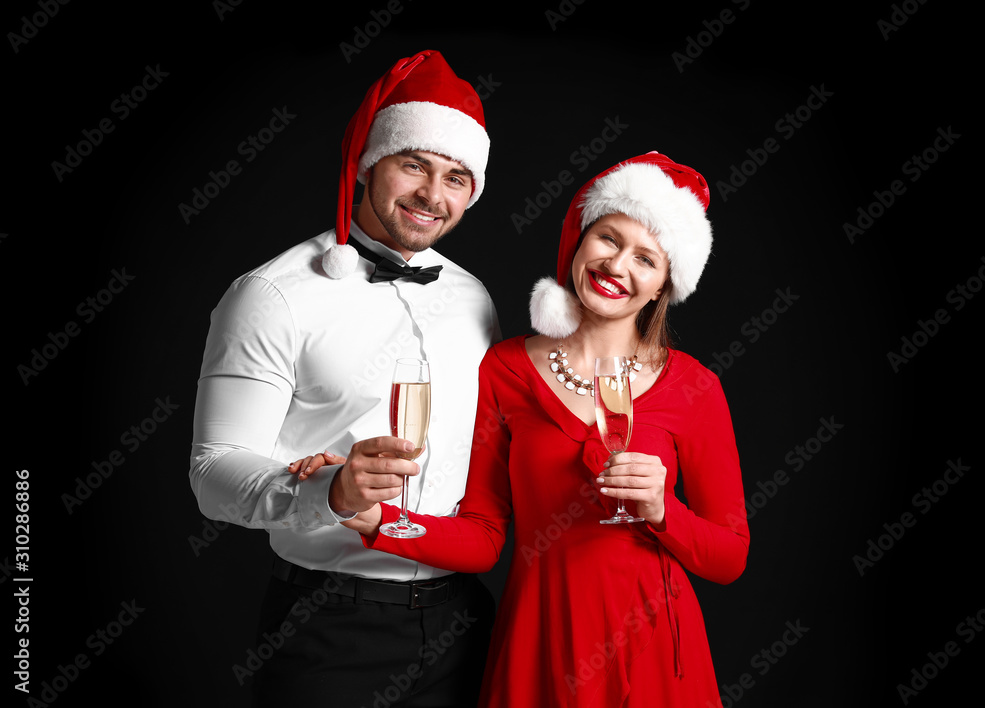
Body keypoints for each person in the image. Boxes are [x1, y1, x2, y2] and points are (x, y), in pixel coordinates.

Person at [296, 151, 750, 706]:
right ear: (579, 241)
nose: (617, 266)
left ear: (662, 285)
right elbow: (485, 536)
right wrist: (375, 519)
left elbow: (729, 557)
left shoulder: (693, 386)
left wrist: (663, 512)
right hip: (542, 642)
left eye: (646, 259)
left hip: (655, 646)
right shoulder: (507, 368)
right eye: (608, 239)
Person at [188, 50, 501, 707]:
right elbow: (212, 472)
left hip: (464, 624)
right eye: (413, 164)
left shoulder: (475, 300)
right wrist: (328, 491)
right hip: (330, 626)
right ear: (368, 163)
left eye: (455, 176)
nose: (431, 196)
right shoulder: (270, 294)